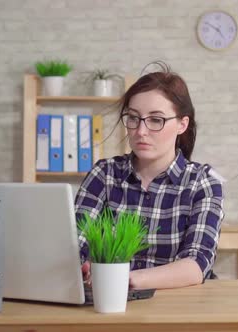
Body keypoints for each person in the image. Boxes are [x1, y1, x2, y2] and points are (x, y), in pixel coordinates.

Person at [74, 62, 224, 290]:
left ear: (182, 124)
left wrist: (125, 279)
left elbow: (196, 264)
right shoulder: (104, 175)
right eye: (133, 118)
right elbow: (75, 244)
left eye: (156, 120)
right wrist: (81, 267)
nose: (140, 131)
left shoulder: (202, 182)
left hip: (177, 311)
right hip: (110, 307)